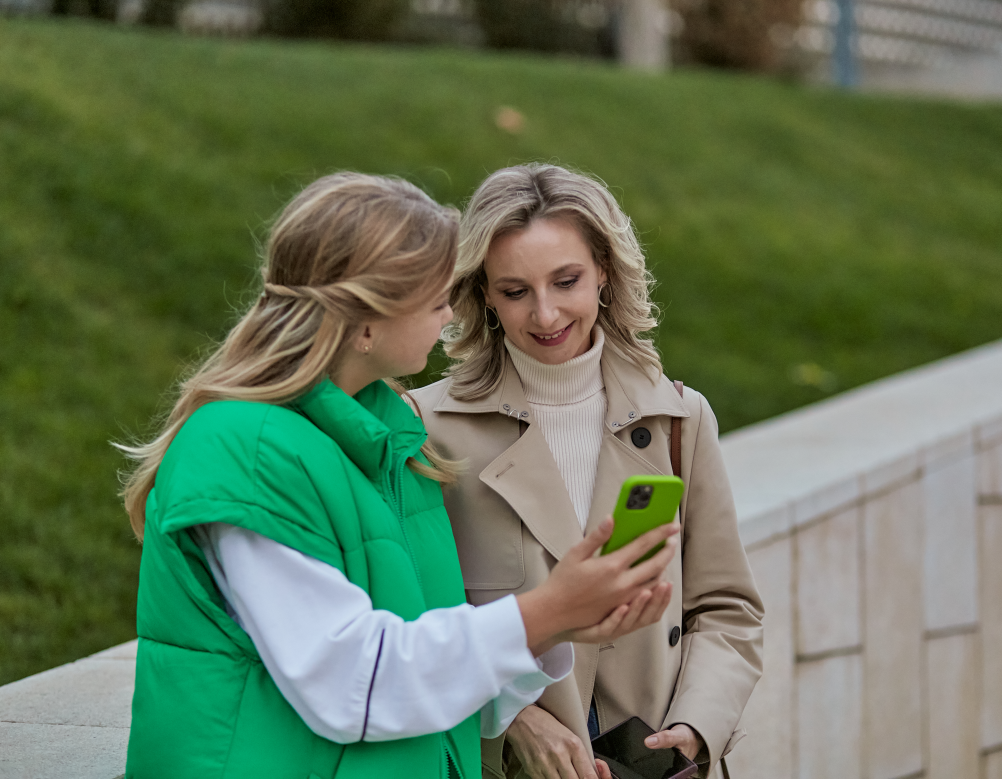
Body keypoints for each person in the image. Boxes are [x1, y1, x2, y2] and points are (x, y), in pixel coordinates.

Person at [117, 172, 681, 779]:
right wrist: (545, 612)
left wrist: (559, 631)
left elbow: (424, 653)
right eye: (436, 299)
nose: (448, 318)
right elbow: (351, 682)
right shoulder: (246, 451)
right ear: (364, 323)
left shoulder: (395, 446)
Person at [411, 164, 764, 779]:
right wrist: (514, 717)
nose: (545, 316)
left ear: (604, 270)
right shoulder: (427, 430)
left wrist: (695, 728)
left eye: (565, 281)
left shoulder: (680, 418)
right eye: (515, 291)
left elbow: (726, 604)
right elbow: (415, 623)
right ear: (484, 295)